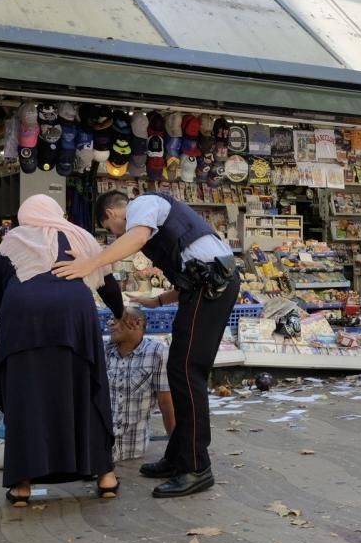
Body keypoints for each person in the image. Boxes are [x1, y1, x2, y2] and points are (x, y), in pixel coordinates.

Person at [54, 190, 240, 498]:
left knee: (186, 371)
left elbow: (138, 237)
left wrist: (92, 262)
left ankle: (196, 467)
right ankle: (179, 456)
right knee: (181, 371)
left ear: (112, 215)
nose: (116, 235)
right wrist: (159, 300)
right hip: (206, 285)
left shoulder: (143, 205)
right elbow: (192, 268)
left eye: (110, 230)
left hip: (212, 287)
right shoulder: (159, 224)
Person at [0, 194, 118, 507]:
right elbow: (108, 285)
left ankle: (22, 487)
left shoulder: (13, 241)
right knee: (85, 392)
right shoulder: (80, 236)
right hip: (75, 322)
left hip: (24, 322)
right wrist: (122, 313)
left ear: (24, 216)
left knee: (26, 399)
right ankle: (105, 477)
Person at [107, 309, 175, 463]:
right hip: (99, 449)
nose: (110, 323)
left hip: (133, 450)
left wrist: (176, 448)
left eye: (116, 319)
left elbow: (165, 403)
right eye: (110, 320)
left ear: (137, 323)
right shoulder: (105, 350)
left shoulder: (157, 353)